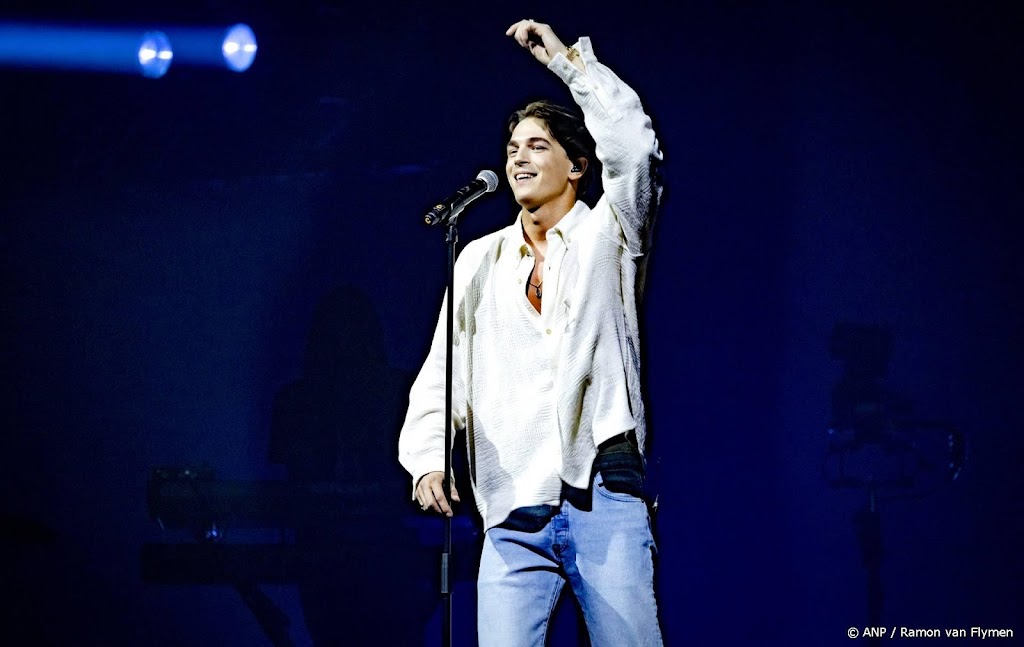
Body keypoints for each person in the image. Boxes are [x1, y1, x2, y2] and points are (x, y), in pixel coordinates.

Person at [399, 18, 664, 646]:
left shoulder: (610, 235)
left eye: (538, 146)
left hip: (603, 492)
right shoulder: (478, 260)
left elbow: (633, 148)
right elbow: (443, 372)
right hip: (511, 503)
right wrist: (428, 461)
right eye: (513, 147)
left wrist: (568, 65)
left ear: (577, 166)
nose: (518, 157)